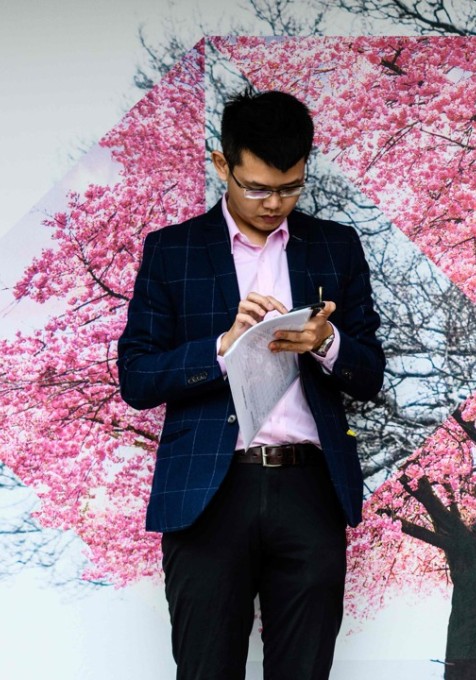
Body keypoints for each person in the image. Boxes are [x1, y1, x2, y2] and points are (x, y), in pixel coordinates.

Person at [117, 89, 384, 679]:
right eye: (257, 187)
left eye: (290, 187)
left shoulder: (335, 245)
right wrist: (220, 346)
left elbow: (370, 374)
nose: (273, 203)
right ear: (222, 165)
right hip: (209, 495)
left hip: (310, 488)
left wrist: (326, 342)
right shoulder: (172, 250)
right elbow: (136, 376)